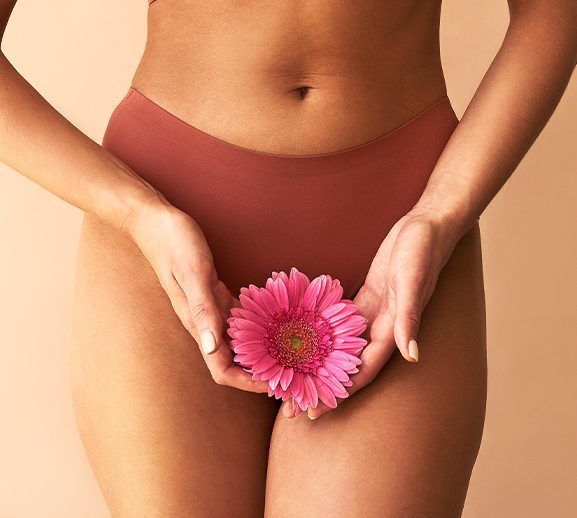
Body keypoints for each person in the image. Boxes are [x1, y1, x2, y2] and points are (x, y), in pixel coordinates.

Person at [1, 1, 576, 516]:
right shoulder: (150, 221)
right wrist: (135, 213)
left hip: (403, 233)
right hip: (165, 231)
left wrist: (441, 215)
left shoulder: (423, 226)